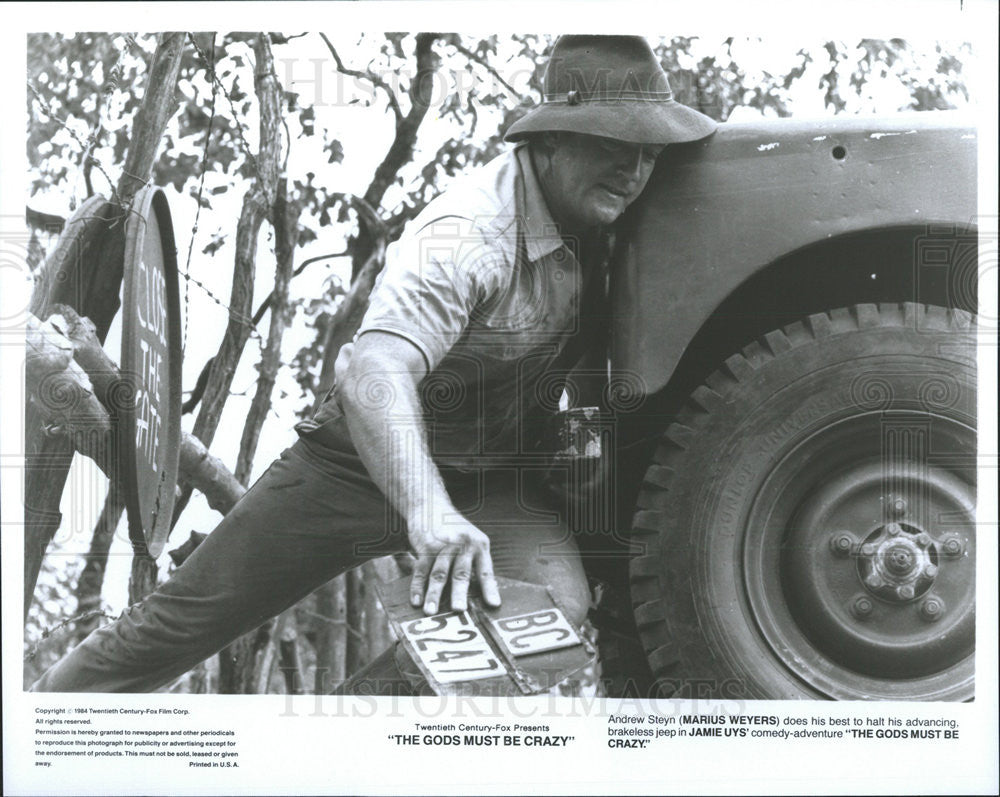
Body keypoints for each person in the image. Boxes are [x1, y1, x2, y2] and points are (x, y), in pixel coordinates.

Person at [31, 34, 717, 694]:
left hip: (492, 480)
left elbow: (590, 385)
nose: (633, 171)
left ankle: (335, 748)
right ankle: (39, 728)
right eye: (611, 146)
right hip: (353, 465)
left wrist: (581, 481)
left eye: (649, 152)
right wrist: (428, 512)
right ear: (550, 139)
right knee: (167, 629)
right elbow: (373, 372)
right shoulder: (469, 232)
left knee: (544, 615)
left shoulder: (620, 224)